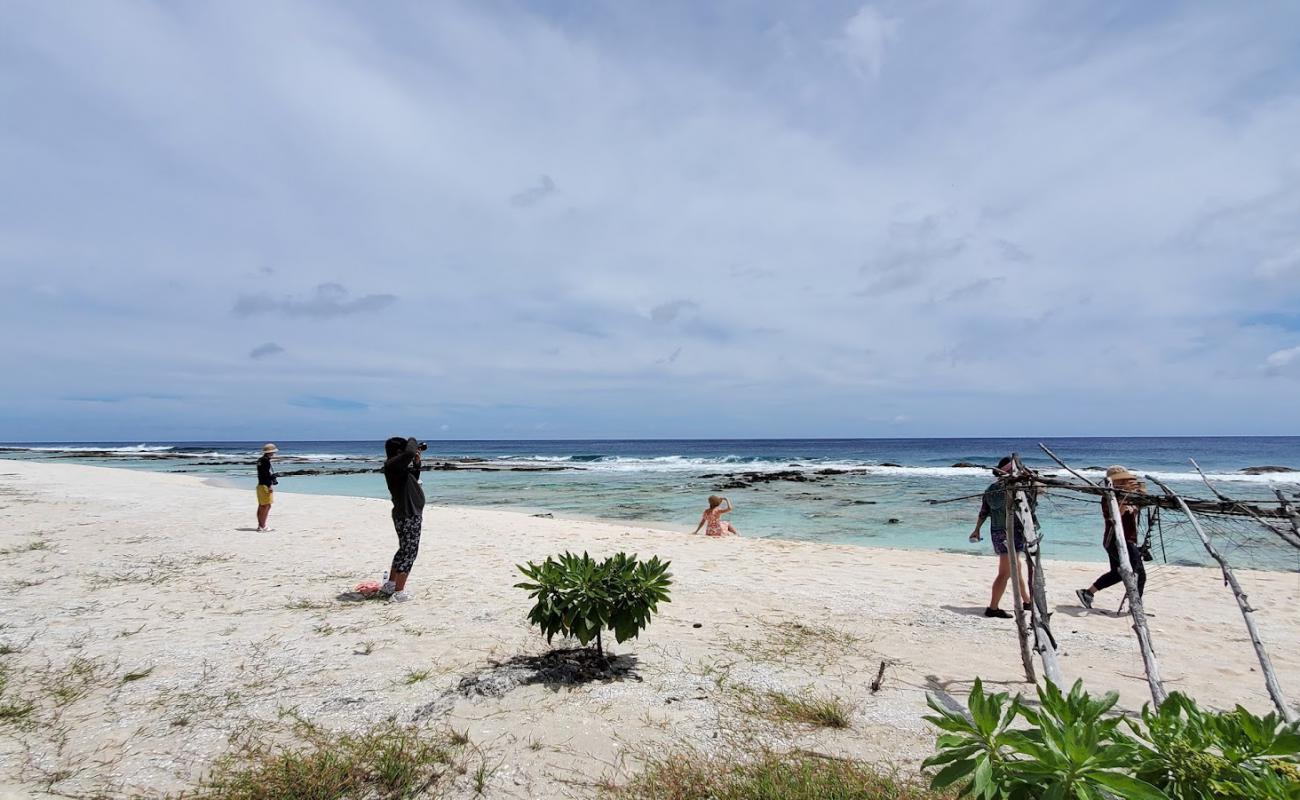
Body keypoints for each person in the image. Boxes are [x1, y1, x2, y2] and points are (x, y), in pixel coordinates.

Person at [969, 456, 1033, 619]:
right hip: (1009, 533)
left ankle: (1026, 601)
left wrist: (977, 529)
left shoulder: (991, 489)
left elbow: (984, 512)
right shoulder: (1013, 488)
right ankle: (993, 608)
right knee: (1005, 572)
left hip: (999, 532)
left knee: (1016, 568)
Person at [1076, 466, 1147, 610]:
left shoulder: (1129, 495)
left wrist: (1140, 493)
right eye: (1123, 480)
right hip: (1115, 541)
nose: (1127, 481)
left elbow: (1139, 507)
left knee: (1117, 573)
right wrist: (1126, 498)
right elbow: (1115, 516)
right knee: (1138, 572)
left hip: (1128, 539)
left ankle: (1087, 593)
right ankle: (1136, 605)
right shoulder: (1108, 497)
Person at [381, 436, 426, 603]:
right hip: (408, 515)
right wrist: (412, 441)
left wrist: (416, 462)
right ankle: (399, 592)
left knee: (403, 550)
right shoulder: (392, 465)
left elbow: (413, 476)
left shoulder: (397, 468)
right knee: (409, 553)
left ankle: (391, 585)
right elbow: (408, 452)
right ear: (399, 451)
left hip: (407, 514)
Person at [255, 443, 278, 532]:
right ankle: (262, 526)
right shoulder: (266, 461)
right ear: (271, 452)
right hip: (264, 485)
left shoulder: (260, 460)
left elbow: (262, 474)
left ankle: (260, 525)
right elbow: (265, 475)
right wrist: (269, 486)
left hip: (260, 485)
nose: (274, 454)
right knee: (266, 506)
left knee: (262, 505)